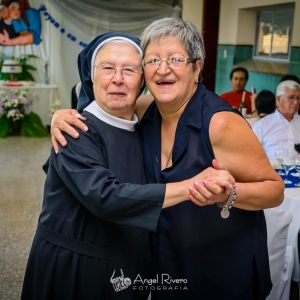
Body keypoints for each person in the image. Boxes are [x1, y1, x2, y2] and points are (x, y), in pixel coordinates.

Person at [50, 18, 284, 300]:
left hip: (218, 261)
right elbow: (105, 101)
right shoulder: (146, 108)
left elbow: (274, 189)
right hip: (166, 261)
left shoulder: (220, 124)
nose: (163, 69)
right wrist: (64, 115)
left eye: (175, 59)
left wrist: (228, 195)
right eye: (152, 60)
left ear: (197, 68)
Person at [21, 32, 234, 300]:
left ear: (143, 80)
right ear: (91, 74)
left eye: (129, 70)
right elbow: (105, 196)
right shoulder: (75, 130)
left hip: (124, 268)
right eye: (107, 68)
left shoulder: (144, 126)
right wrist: (194, 184)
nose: (117, 79)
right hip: (74, 268)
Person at [253, 80, 300, 160]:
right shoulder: (263, 125)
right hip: (271, 170)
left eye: (298, 98)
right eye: (291, 97)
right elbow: (251, 153)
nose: (296, 102)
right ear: (279, 99)